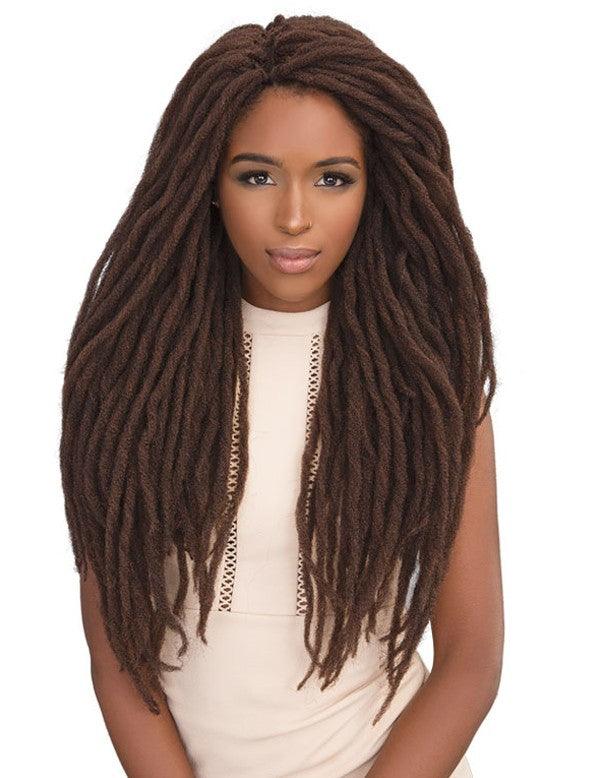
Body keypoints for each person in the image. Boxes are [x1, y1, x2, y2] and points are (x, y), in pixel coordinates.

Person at [60, 13, 503, 778]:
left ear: (374, 188)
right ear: (207, 181)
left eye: (333, 178)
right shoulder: (132, 373)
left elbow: (472, 659)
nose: (294, 216)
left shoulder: (428, 379)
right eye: (257, 176)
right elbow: (116, 651)